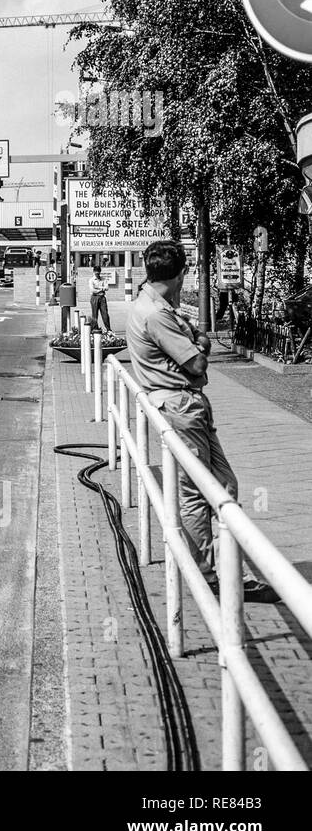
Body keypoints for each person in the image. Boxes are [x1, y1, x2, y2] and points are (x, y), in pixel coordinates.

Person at [126, 240, 278, 603]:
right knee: (197, 493)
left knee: (223, 485)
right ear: (180, 275)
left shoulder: (151, 304)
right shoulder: (157, 314)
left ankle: (220, 566)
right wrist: (202, 342)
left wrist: (195, 339)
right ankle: (214, 576)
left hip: (184, 406)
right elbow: (196, 363)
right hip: (180, 407)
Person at [89, 263, 112, 334]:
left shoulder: (103, 279)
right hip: (94, 298)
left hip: (102, 298)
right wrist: (102, 289)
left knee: (105, 313)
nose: (97, 273)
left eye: (98, 271)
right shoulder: (91, 280)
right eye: (95, 271)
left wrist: (98, 288)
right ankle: (94, 329)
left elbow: (107, 287)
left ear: (100, 272)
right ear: (93, 272)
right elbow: (92, 290)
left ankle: (108, 329)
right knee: (94, 314)